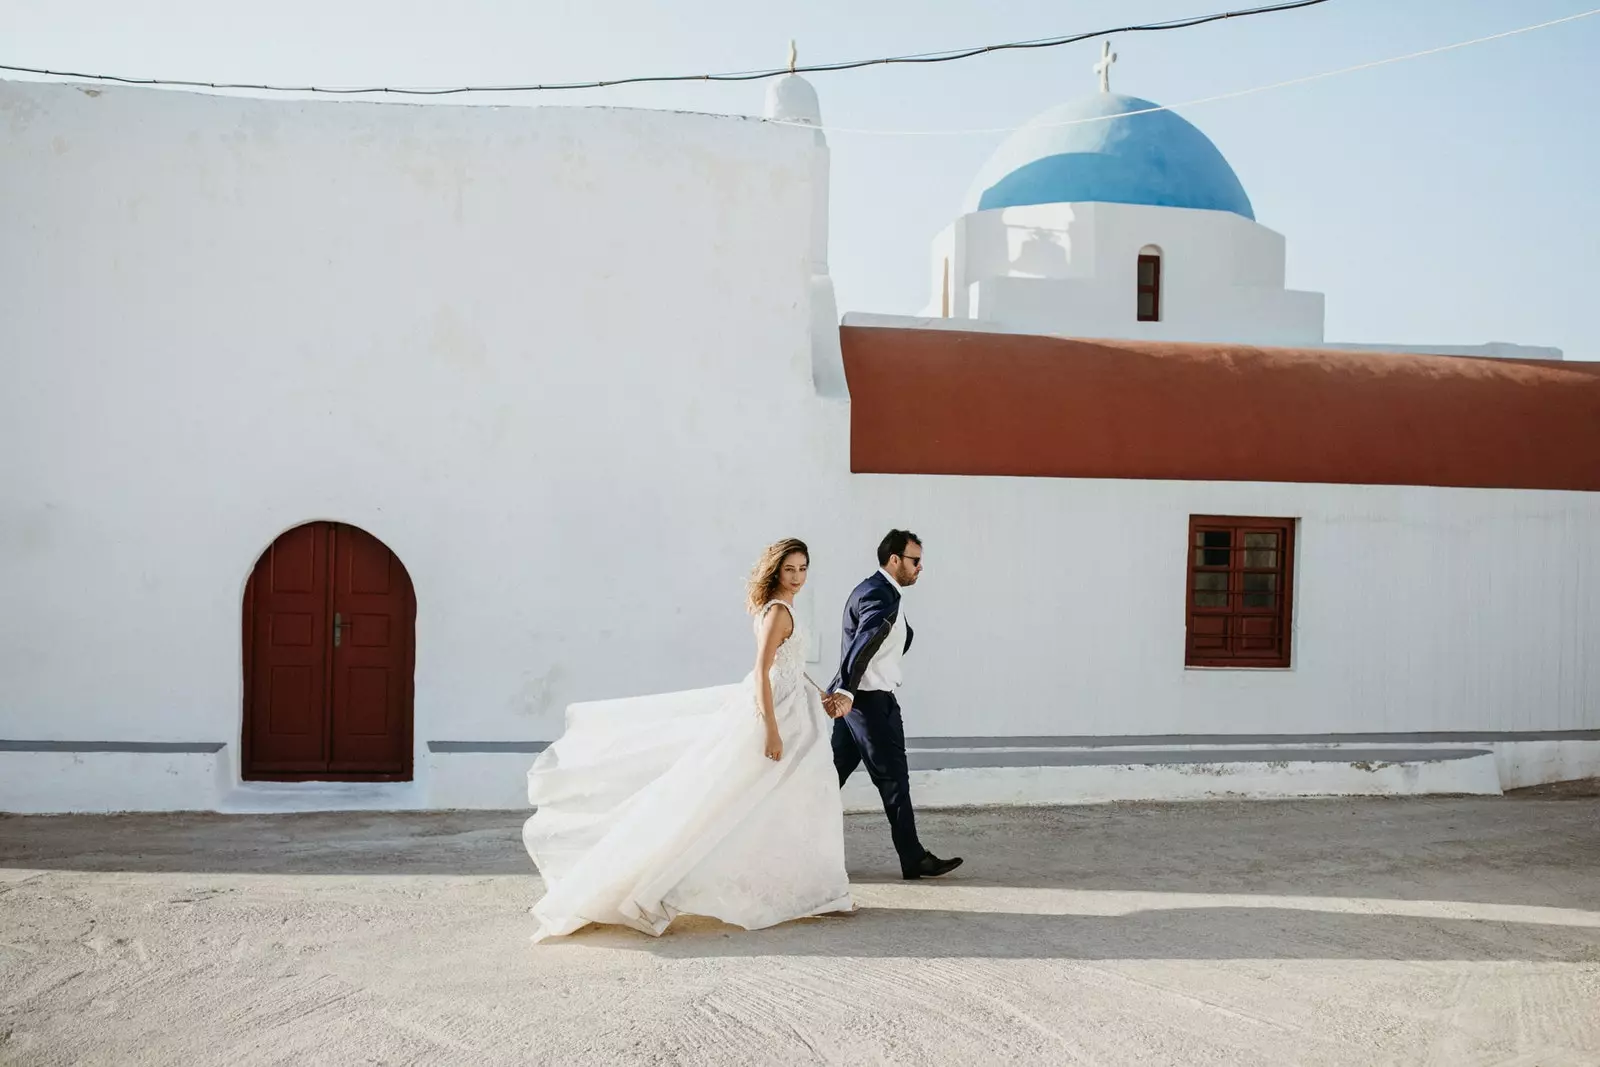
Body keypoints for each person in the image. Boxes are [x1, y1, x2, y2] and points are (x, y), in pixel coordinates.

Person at [522, 538, 851, 941]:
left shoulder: (782, 608)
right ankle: (662, 885)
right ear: (776, 571)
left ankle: (814, 891)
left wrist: (819, 696)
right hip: (778, 715)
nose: (798, 577)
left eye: (803, 569)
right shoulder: (778, 612)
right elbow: (762, 671)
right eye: (790, 570)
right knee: (724, 804)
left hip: (795, 709)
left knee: (791, 801)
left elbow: (789, 667)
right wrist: (770, 729)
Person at [825, 530, 963, 880]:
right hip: (869, 705)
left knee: (826, 780)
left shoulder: (879, 591)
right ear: (895, 559)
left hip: (857, 703)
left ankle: (793, 847)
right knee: (894, 783)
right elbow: (865, 642)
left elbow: (881, 641)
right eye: (915, 561)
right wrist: (847, 690)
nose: (920, 567)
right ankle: (914, 857)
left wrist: (848, 690)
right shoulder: (878, 594)